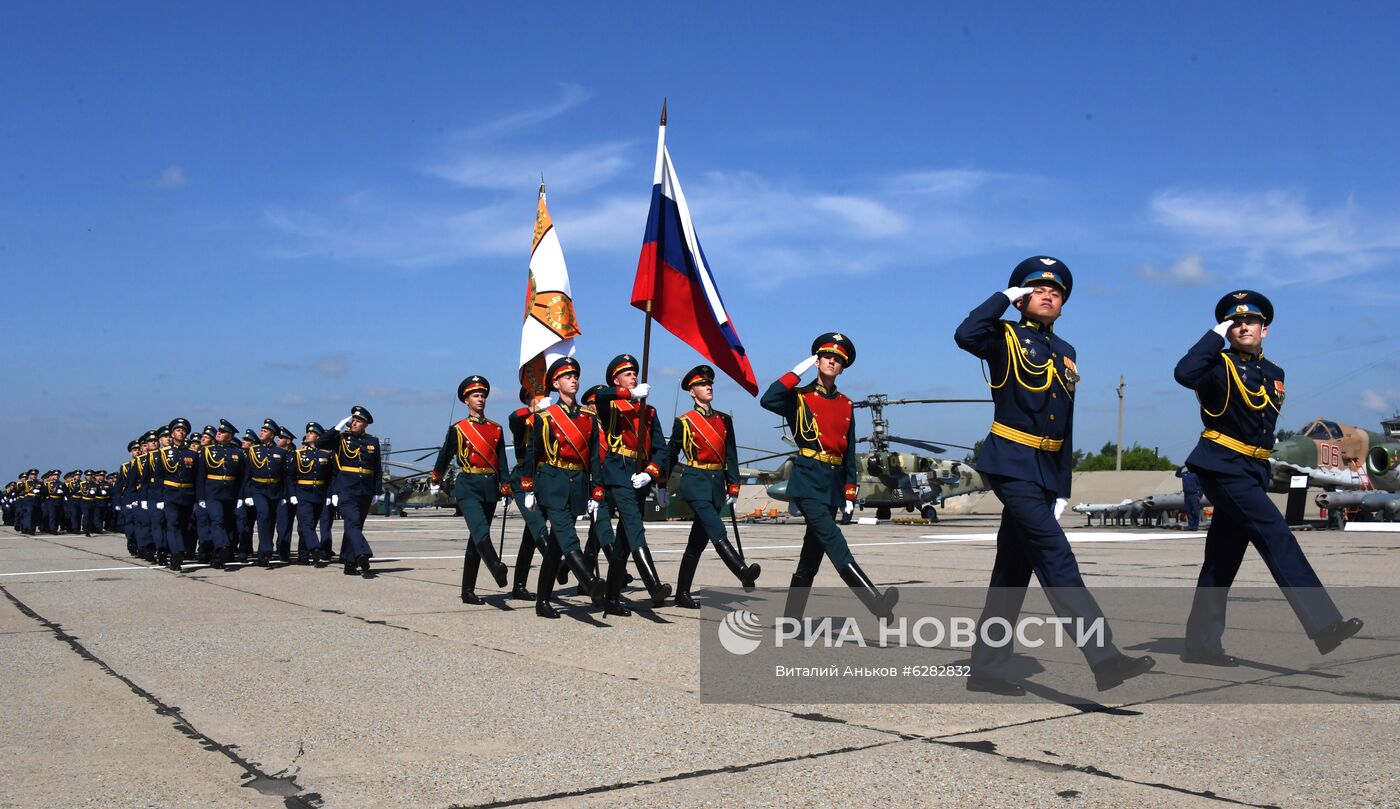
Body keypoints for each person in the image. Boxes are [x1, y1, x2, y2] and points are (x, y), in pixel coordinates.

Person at [954, 257, 1154, 695]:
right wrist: (1004, 299)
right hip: (1010, 461)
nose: (1048, 295)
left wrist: (1061, 487)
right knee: (1056, 556)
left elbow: (1064, 422)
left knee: (1011, 571)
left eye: (1056, 292)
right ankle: (1104, 657)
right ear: (1022, 297)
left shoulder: (1067, 352)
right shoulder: (1002, 335)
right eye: (1037, 289)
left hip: (1045, 470)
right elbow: (965, 334)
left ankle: (986, 669)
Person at [1174, 290, 1364, 666]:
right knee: (1276, 533)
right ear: (1227, 328)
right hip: (1222, 465)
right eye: (1235, 321)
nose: (1244, 326)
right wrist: (1215, 335)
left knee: (1222, 560)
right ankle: (1324, 623)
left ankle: (1200, 644)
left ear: (1265, 330)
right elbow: (1183, 373)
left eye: (1252, 321)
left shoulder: (1274, 373)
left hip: (1252, 470)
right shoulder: (1215, 365)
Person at [762, 332, 899, 622]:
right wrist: (797, 370)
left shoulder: (847, 404)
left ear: (843, 367)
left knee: (811, 556)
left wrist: (850, 493)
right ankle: (876, 603)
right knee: (835, 541)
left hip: (833, 483)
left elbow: (849, 452)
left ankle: (790, 621)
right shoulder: (798, 397)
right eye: (826, 356)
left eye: (837, 359)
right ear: (817, 360)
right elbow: (768, 399)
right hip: (808, 480)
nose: (831, 361)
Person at [519, 357, 608, 618]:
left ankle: (543, 601)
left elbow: (594, 458)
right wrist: (527, 489)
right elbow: (532, 453)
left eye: (575, 376)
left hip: (577, 483)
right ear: (556, 383)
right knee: (567, 533)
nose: (574, 380)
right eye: (567, 377)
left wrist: (597, 491)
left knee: (556, 545)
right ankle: (590, 582)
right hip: (552, 481)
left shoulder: (589, 418)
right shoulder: (545, 418)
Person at [666, 364, 760, 608]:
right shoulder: (684, 422)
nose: (708, 387)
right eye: (701, 384)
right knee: (717, 529)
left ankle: (682, 594)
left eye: (709, 383)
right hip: (695, 482)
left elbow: (731, 456)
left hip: (717, 484)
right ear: (691, 391)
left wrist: (734, 485)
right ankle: (742, 571)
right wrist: (660, 483)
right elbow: (670, 455)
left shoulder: (724, 419)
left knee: (696, 543)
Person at [592, 354, 672, 608]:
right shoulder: (612, 405)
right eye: (627, 374)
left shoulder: (649, 411)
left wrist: (651, 472)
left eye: (635, 373)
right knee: (635, 525)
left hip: (640, 474)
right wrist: (629, 394)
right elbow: (601, 395)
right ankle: (653, 585)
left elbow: (660, 448)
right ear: (616, 379)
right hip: (619, 472)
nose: (633, 376)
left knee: (624, 541)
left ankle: (612, 598)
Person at [431, 376, 512, 604]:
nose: (481, 399)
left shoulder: (495, 428)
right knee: (479, 530)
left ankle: (468, 591)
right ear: (466, 400)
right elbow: (445, 454)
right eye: (476, 395)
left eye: (483, 395)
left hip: (489, 487)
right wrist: (436, 478)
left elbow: (502, 460)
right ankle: (496, 565)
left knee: (475, 540)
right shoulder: (459, 429)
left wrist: (505, 486)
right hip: (468, 485)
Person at [320, 406, 383, 577]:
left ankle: (349, 563)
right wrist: (337, 428)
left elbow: (377, 468)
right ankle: (363, 553)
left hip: (366, 488)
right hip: (347, 487)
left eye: (358, 420)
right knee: (352, 523)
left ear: (365, 424)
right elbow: (320, 443)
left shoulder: (373, 441)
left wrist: (377, 490)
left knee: (356, 525)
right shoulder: (340, 438)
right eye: (353, 420)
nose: (354, 423)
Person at [505, 387, 553, 600]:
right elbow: (513, 418)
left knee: (530, 536)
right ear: (528, 398)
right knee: (538, 526)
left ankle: (519, 586)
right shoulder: (523, 419)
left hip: (545, 477)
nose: (544, 397)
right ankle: (559, 563)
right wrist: (534, 410)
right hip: (524, 475)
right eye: (538, 394)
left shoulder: (551, 418)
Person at [194, 420, 245, 569]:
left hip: (230, 493)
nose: (219, 434)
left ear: (230, 435)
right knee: (217, 520)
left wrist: (240, 497)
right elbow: (201, 476)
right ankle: (222, 547)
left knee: (229, 524)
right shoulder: (207, 451)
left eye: (223, 432)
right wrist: (200, 497)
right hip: (212, 492)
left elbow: (241, 478)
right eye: (219, 431)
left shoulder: (237, 453)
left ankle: (220, 557)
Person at [242, 419, 293, 567]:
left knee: (276, 521)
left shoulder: (280, 452)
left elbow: (285, 476)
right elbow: (247, 475)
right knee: (263, 516)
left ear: (272, 435)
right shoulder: (253, 451)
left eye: (265, 431)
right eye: (262, 430)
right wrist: (247, 495)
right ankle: (265, 550)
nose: (261, 433)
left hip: (276, 491)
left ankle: (267, 551)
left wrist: (286, 495)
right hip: (258, 489)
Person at [156, 418, 199, 571]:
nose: (181, 432)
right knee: (172, 523)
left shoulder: (193, 454)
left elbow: (197, 477)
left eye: (183, 430)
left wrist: (197, 497)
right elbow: (159, 477)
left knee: (183, 525)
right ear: (172, 434)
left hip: (187, 493)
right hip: (170, 492)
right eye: (178, 430)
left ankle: (178, 549)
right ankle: (176, 553)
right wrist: (159, 497)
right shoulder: (163, 453)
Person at [290, 422, 335, 566]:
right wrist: (292, 494)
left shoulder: (326, 455)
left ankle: (303, 556)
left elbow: (330, 477)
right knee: (307, 524)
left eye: (311, 433)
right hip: (303, 493)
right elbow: (290, 476)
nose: (308, 434)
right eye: (308, 432)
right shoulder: (298, 454)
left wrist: (330, 495)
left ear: (318, 437)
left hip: (320, 494)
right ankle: (315, 548)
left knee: (310, 525)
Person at [1176, 466, 1204, 531]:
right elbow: (1177, 475)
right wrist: (1180, 468)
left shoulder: (1196, 474)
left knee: (1196, 511)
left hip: (1194, 495)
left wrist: (1199, 496)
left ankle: (1195, 526)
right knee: (1189, 512)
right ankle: (1191, 526)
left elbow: (1200, 486)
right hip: (1186, 495)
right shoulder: (1185, 474)